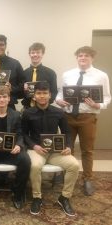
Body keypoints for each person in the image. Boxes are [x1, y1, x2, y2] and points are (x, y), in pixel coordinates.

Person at [56, 46, 111, 196]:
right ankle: (67, 173)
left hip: (87, 117)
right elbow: (60, 93)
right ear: (77, 58)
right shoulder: (68, 74)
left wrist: (98, 105)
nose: (83, 58)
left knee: (87, 150)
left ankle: (87, 179)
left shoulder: (101, 75)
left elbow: (107, 97)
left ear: (92, 58)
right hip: (68, 117)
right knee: (68, 148)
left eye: (86, 56)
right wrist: (59, 101)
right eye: (80, 55)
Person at [22, 82, 79, 216]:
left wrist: (69, 147)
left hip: (55, 151)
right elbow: (23, 134)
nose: (42, 96)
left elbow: (67, 132)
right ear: (34, 96)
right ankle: (37, 198)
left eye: (45, 93)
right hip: (36, 150)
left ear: (50, 95)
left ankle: (64, 197)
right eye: (39, 93)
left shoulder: (59, 112)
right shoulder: (27, 113)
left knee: (74, 165)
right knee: (35, 166)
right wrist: (34, 146)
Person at [22, 42, 57, 108]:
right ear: (29, 54)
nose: (35, 55)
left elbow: (54, 92)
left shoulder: (51, 73)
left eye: (38, 52)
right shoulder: (24, 73)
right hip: (27, 108)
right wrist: (24, 90)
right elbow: (20, 94)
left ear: (42, 54)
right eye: (32, 52)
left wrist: (44, 102)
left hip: (45, 109)